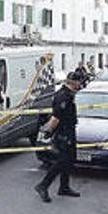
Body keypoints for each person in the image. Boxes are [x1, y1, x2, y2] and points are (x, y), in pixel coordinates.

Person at [34, 72, 82, 202]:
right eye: (79, 82)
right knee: (62, 161)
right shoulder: (63, 96)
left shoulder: (68, 95)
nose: (80, 84)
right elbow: (56, 117)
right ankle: (43, 185)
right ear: (74, 82)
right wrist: (49, 131)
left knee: (69, 160)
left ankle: (64, 187)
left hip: (68, 131)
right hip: (63, 133)